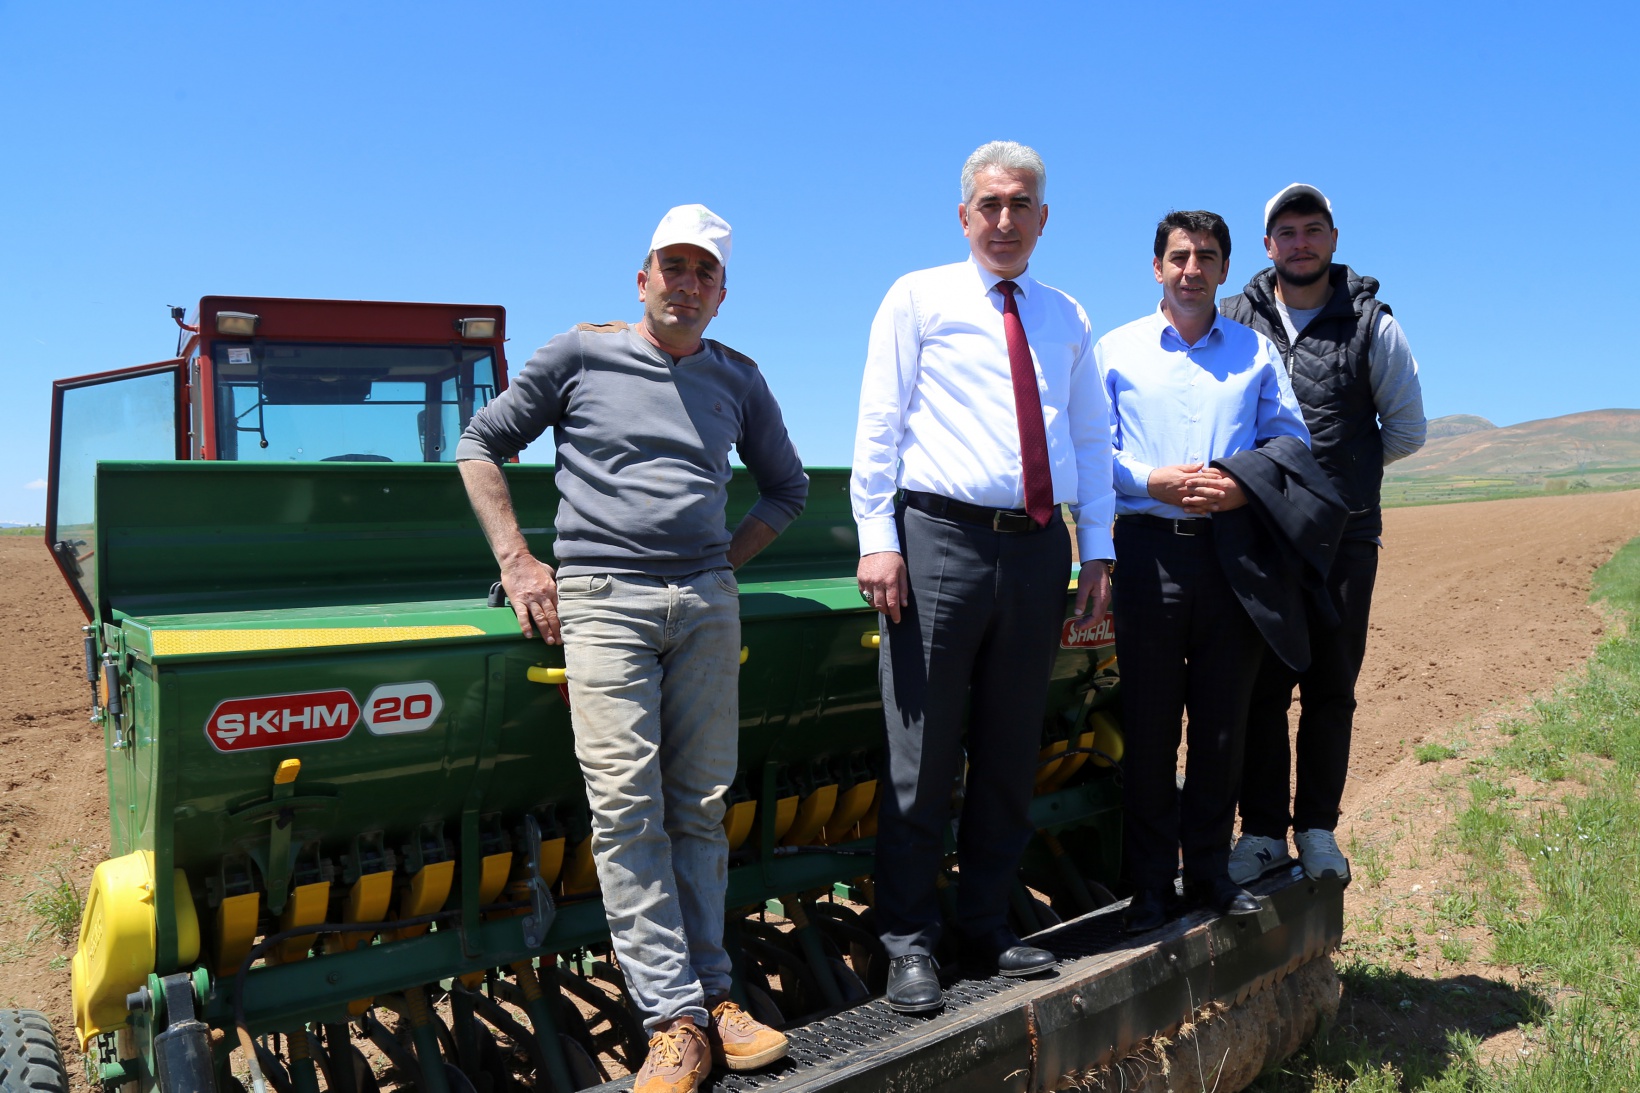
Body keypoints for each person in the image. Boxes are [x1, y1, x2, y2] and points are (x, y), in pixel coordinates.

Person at [457, 205, 808, 1093]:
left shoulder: (739, 379)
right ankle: (673, 1021)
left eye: (705, 273)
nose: (686, 284)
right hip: (602, 602)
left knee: (698, 803)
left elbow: (787, 489)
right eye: (672, 266)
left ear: (722, 294)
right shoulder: (578, 354)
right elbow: (479, 445)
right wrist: (521, 562)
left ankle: (716, 999)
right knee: (626, 810)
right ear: (642, 276)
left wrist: (718, 567)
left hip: (704, 606)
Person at [851, 141, 1115, 1013]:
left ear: (1045, 218)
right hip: (937, 542)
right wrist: (877, 537)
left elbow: (1087, 442)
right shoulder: (917, 296)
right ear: (964, 215)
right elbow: (880, 424)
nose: (1005, 221)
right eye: (990, 205)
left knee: (1009, 748)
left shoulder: (1067, 314)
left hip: (1037, 546)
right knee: (920, 755)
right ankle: (909, 942)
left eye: (1022, 205)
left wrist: (1098, 546)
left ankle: (988, 925)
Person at [1094, 210, 1311, 934]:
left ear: (1224, 270)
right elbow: (1090, 448)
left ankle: (1212, 875)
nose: (1192, 269)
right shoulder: (1115, 350)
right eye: (1180, 256)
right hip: (1148, 552)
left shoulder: (1254, 353)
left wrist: (1243, 483)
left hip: (1232, 556)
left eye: (1207, 257)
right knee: (1151, 727)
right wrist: (1149, 479)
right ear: (1157, 267)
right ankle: (1153, 885)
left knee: (1224, 722)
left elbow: (1289, 439)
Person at [1222, 184, 1426, 884]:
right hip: (1263, 539)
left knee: (1331, 685)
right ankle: (1260, 837)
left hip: (1345, 539)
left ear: (1333, 240)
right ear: (1268, 245)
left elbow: (1404, 429)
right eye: (1287, 231)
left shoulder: (1372, 323)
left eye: (1314, 230)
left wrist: (1336, 485)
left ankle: (1317, 831)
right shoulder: (1233, 321)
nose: (1300, 243)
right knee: (1261, 690)